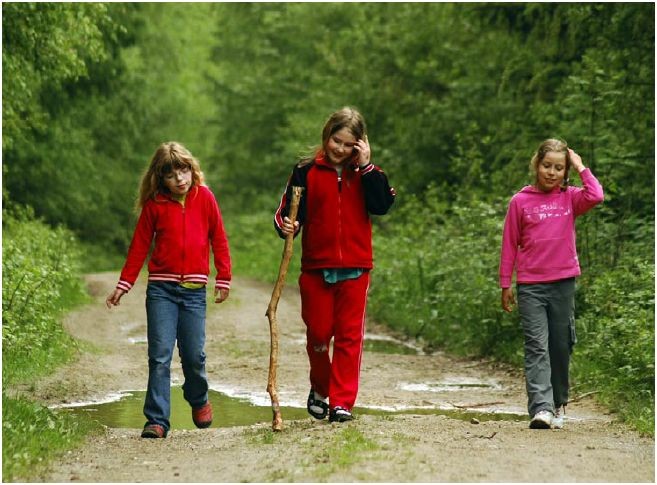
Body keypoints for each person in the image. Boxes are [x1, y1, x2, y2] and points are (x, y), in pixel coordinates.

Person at [274, 107, 396, 423]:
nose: (339, 149)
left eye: (347, 144)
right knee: (318, 333)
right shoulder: (305, 171)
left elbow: (382, 205)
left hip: (356, 266)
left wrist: (367, 165)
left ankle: (341, 401)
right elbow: (288, 211)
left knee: (348, 337)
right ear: (327, 135)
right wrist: (289, 226)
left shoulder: (369, 175)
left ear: (359, 144)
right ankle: (320, 387)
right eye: (335, 141)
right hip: (316, 266)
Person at [106, 141, 231, 439]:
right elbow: (139, 248)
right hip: (162, 290)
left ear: (192, 169)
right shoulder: (155, 206)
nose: (180, 179)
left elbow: (219, 238)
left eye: (184, 171)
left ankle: (198, 398)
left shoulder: (206, 198)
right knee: (160, 356)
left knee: (194, 356)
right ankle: (157, 420)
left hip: (194, 293)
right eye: (171, 174)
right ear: (159, 178)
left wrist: (223, 276)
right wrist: (125, 284)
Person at [499, 139, 603, 430]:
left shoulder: (570, 198)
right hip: (531, 285)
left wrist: (581, 167)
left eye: (559, 168)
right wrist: (505, 283)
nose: (552, 172)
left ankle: (558, 402)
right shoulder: (520, 201)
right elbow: (509, 245)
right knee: (536, 347)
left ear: (565, 170)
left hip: (563, 283)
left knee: (560, 346)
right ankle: (541, 408)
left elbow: (596, 195)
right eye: (547, 166)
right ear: (536, 164)